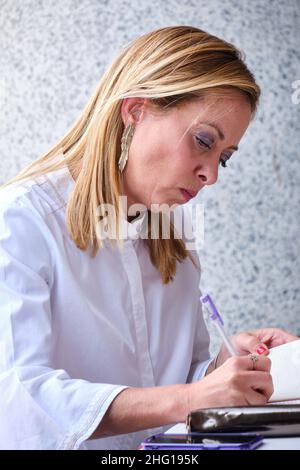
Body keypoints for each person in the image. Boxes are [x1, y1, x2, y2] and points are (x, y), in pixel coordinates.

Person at [0, 25, 297, 450]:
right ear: (136, 111)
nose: (210, 175)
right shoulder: (20, 221)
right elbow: (19, 400)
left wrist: (222, 367)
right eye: (203, 141)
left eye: (223, 159)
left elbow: (173, 386)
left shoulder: (172, 240)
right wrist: (191, 397)